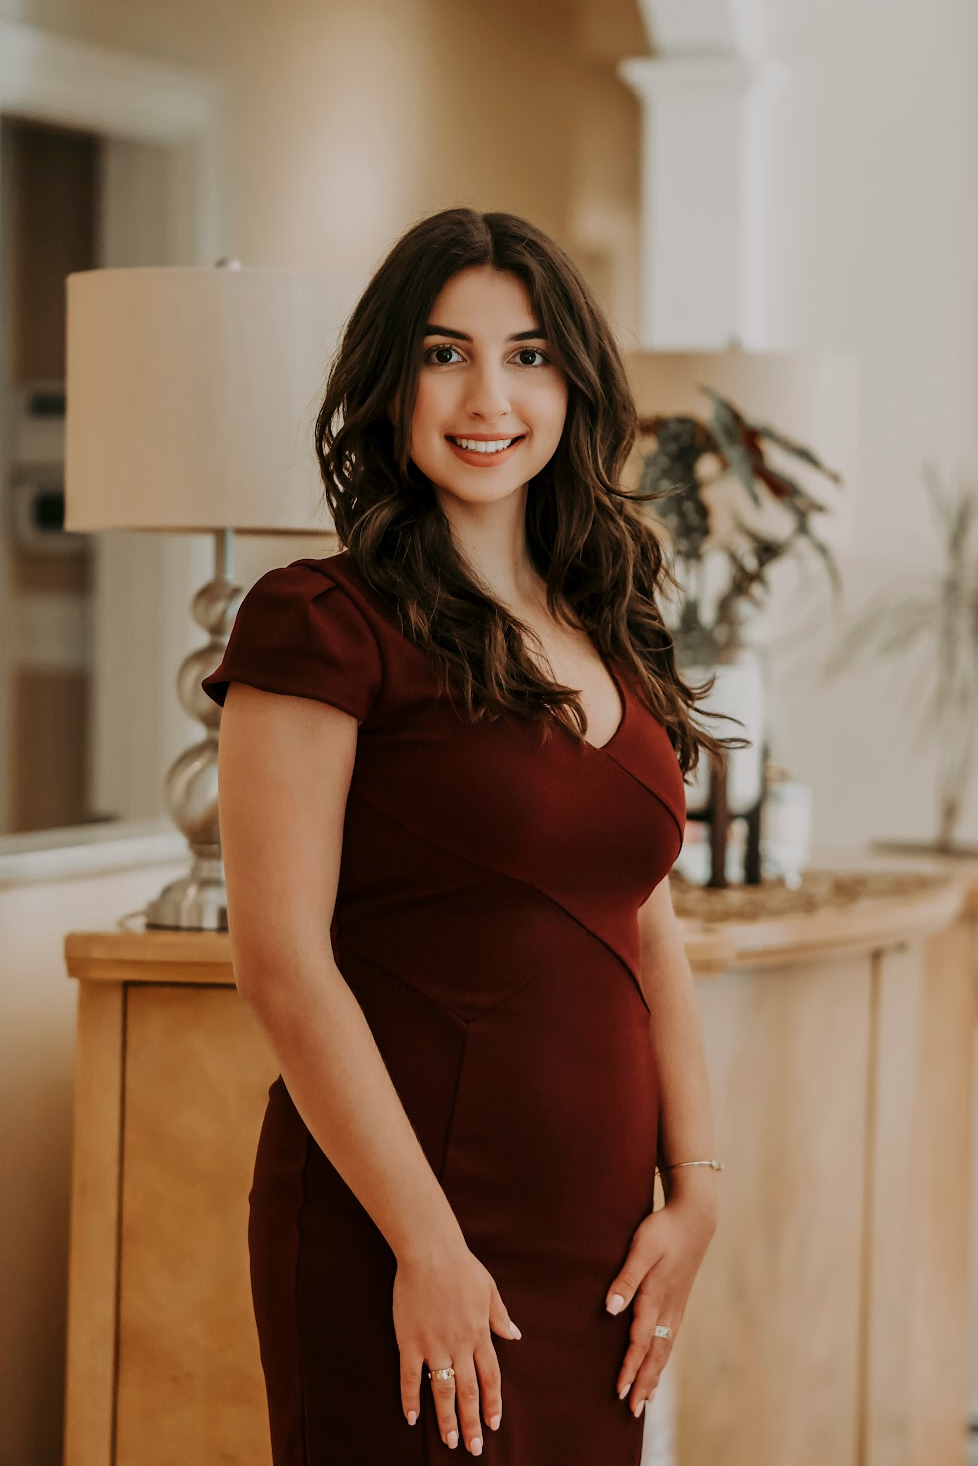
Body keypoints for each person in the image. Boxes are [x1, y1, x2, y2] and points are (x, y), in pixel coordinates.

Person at [201, 206, 731, 1465]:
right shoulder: (316, 623)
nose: (488, 393)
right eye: (445, 354)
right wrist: (423, 1241)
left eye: (529, 354)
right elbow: (280, 960)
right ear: (390, 384)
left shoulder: (609, 622)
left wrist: (697, 1187)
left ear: (574, 385)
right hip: (399, 1232)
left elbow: (645, 923)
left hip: (595, 1247)